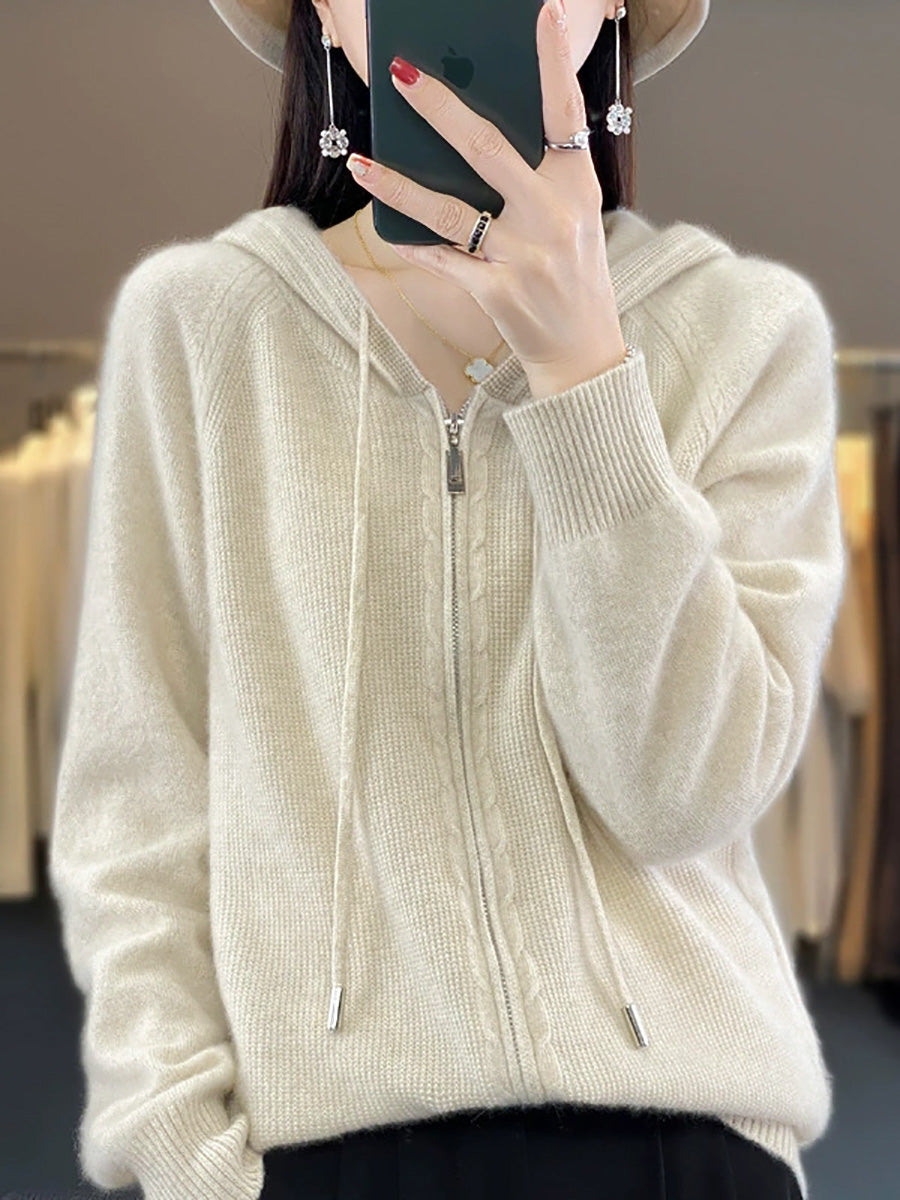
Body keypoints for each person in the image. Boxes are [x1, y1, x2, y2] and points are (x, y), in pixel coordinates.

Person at [47, 0, 846, 1198]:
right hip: (325, 1155)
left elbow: (682, 793)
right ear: (325, 12)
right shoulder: (203, 325)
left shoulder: (744, 331)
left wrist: (585, 376)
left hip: (680, 1149)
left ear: (613, 6)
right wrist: (182, 1159)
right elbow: (137, 803)